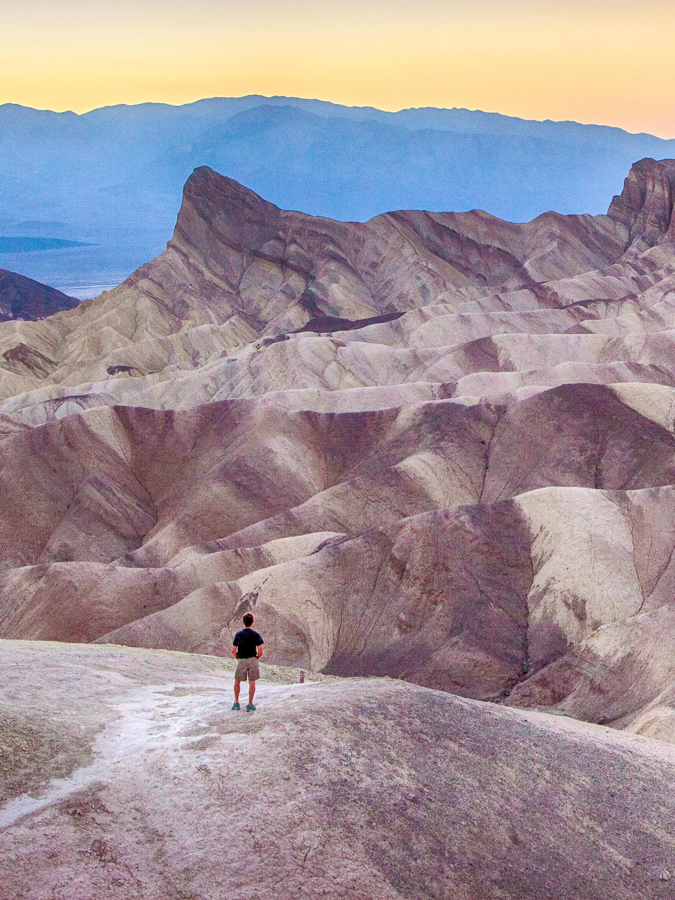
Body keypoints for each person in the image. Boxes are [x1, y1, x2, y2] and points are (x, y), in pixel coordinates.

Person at [232, 613, 264, 711]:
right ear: (252, 622)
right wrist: (256, 658)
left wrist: (237, 658)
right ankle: (250, 704)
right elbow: (260, 651)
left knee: (237, 681)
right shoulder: (256, 635)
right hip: (252, 659)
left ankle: (236, 702)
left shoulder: (238, 634)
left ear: (243, 622)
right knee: (252, 683)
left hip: (241, 659)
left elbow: (233, 650)